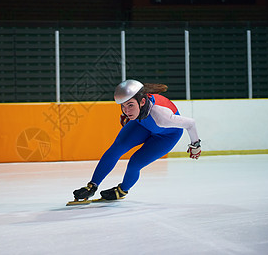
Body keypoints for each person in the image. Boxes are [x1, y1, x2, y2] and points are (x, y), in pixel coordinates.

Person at [73, 79, 201, 201]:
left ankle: (123, 190)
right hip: (142, 124)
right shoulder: (137, 104)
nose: (126, 111)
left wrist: (196, 146)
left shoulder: (162, 116)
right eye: (123, 106)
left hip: (166, 136)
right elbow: (130, 108)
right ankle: (92, 186)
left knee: (134, 164)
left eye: (130, 106)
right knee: (115, 149)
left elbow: (191, 123)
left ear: (143, 102)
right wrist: (127, 114)